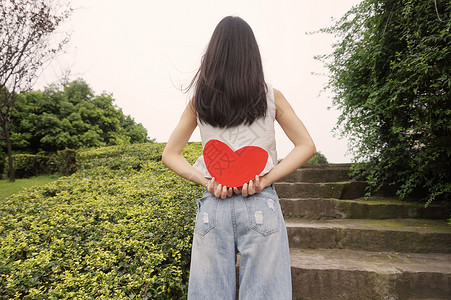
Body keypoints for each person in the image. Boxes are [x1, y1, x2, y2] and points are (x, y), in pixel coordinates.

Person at [162, 16, 316, 300]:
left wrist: (207, 182)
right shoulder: (271, 96)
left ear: (214, 54)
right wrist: (265, 179)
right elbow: (306, 145)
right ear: (252, 54)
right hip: (260, 203)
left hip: (214, 206)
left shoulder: (199, 100)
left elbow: (170, 154)